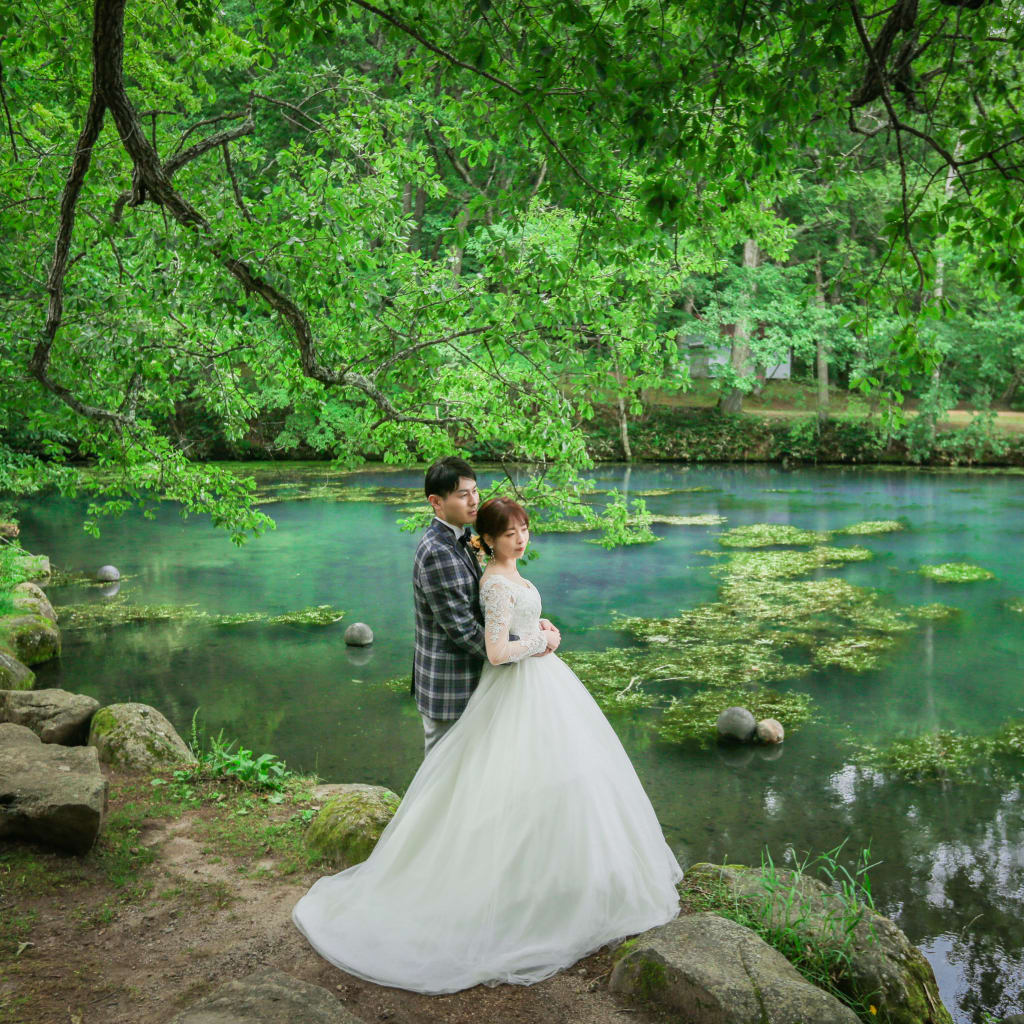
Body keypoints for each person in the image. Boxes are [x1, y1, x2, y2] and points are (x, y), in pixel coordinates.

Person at [291, 495, 683, 994]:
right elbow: (497, 653)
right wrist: (542, 642)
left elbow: (513, 629)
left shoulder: (507, 574)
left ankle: (557, 880)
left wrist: (537, 627)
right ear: (491, 540)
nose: (521, 537)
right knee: (511, 782)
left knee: (565, 779)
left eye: (524, 528)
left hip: (542, 684)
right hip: (517, 685)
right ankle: (515, 893)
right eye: (510, 532)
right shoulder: (495, 581)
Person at [410, 456, 558, 755]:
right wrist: (531, 643)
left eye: (475, 491)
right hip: (449, 684)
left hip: (475, 680)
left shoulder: (461, 539)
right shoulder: (438, 552)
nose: (473, 500)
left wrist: (528, 626)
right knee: (442, 770)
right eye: (463, 495)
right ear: (436, 502)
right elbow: (463, 630)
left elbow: (485, 606)